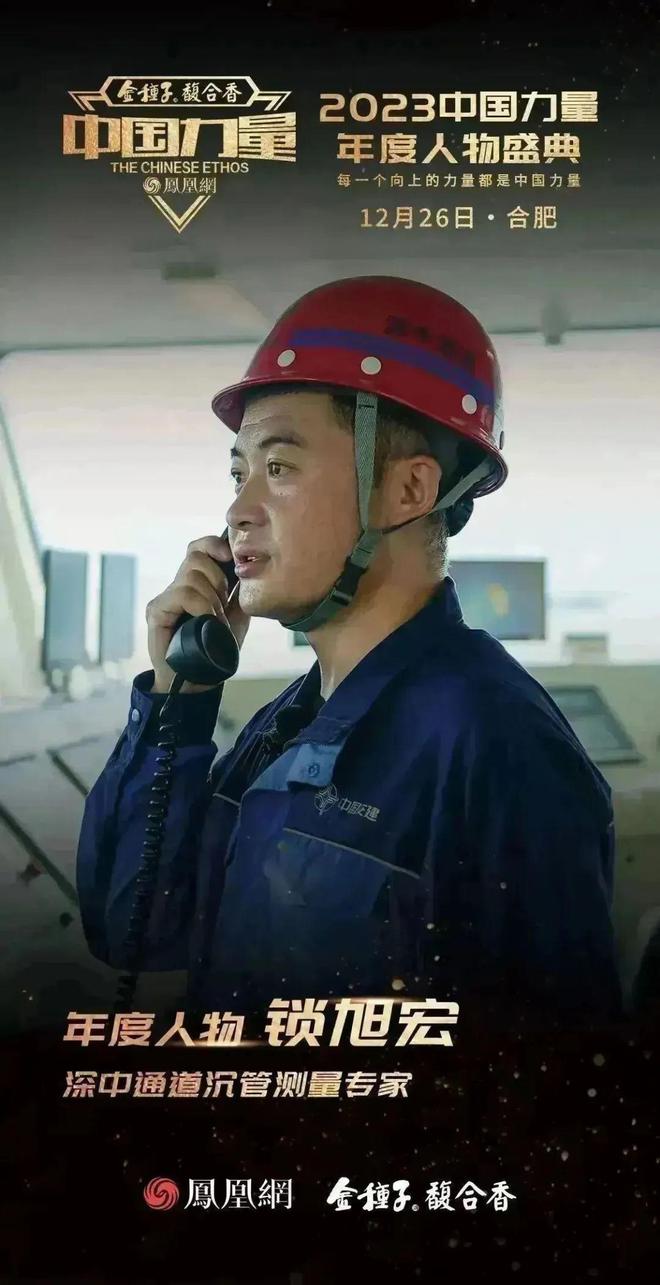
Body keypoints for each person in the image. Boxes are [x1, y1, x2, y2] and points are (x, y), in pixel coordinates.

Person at [76, 275, 622, 1027]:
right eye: (238, 473)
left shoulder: (497, 743)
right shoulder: (286, 725)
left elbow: (557, 1071)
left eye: (278, 468)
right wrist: (180, 699)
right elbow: (132, 927)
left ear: (408, 491)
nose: (238, 510)